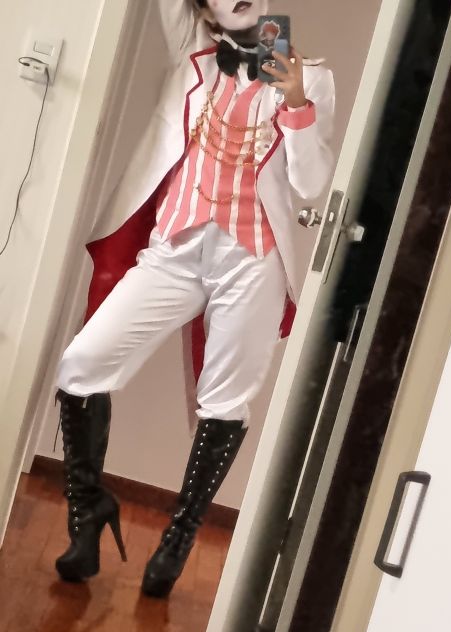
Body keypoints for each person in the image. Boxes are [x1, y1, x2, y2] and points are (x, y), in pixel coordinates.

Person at [54, 0, 335, 597]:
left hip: (252, 260)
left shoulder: (312, 77)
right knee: (82, 365)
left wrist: (295, 103)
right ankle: (88, 510)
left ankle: (179, 536)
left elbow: (311, 185)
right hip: (175, 249)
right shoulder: (191, 50)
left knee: (224, 402)